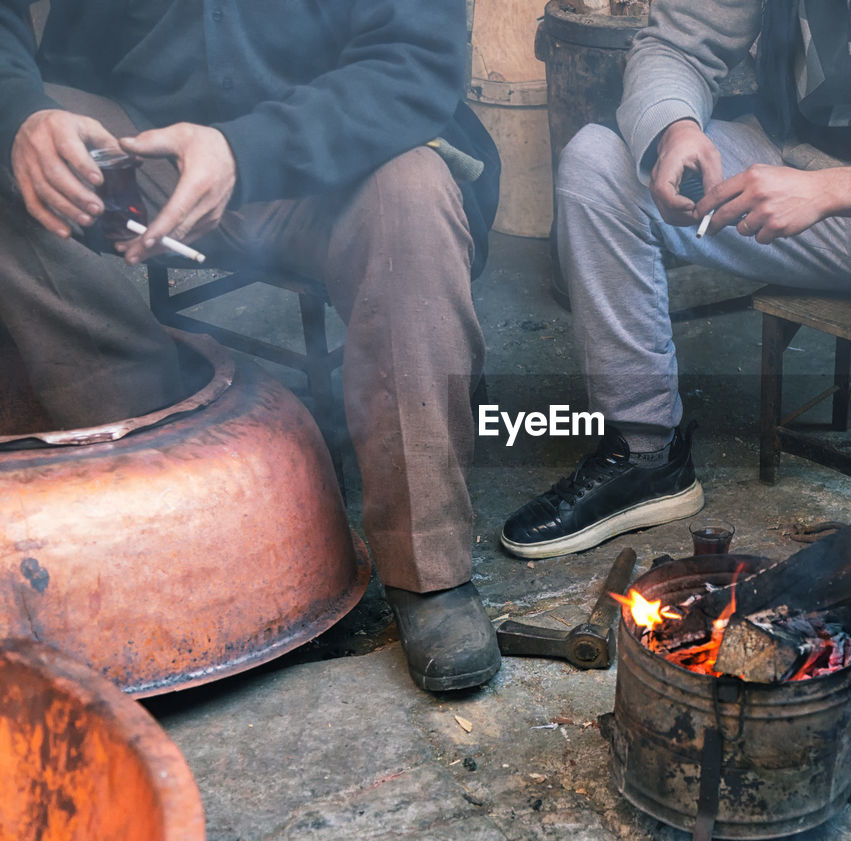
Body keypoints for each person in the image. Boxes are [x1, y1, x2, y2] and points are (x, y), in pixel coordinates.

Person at [0, 0, 502, 694]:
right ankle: (157, 495)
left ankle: (430, 571)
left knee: (412, 194)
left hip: (327, 151)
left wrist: (244, 152)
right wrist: (22, 111)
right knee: (6, 155)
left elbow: (414, 62)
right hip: (135, 144)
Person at [501, 0, 851, 560]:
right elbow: (677, 45)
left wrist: (827, 193)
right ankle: (646, 454)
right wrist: (675, 127)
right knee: (596, 165)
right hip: (790, 168)